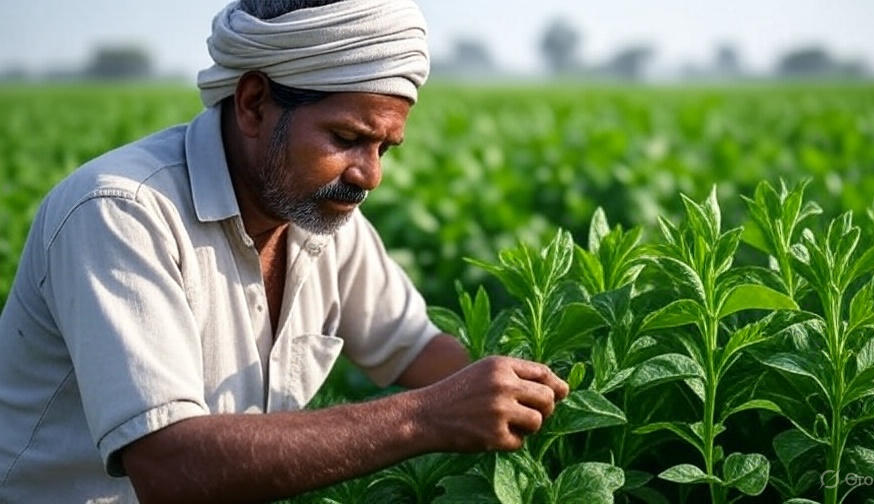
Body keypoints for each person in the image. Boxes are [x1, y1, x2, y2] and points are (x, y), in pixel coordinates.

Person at [0, 0, 568, 502]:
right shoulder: (122, 210)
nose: (369, 175)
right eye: (346, 139)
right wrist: (428, 416)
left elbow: (415, 347)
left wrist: (553, 405)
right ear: (252, 103)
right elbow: (169, 466)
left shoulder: (320, 214)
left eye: (384, 149)